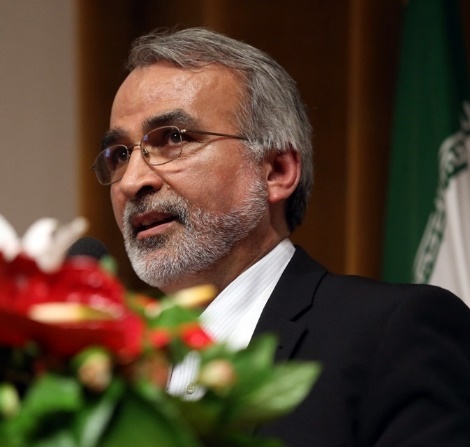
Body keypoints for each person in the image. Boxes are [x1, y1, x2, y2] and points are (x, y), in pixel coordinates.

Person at [92, 27, 470, 447]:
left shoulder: (393, 333)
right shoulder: (107, 370)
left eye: (174, 139)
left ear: (276, 171)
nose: (132, 181)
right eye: (119, 155)